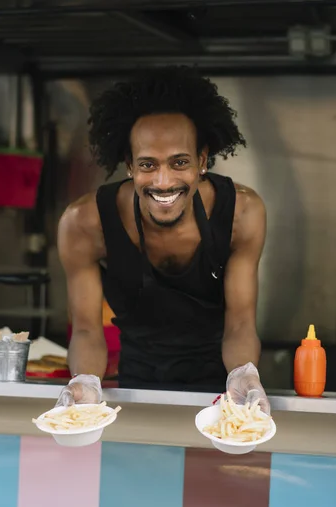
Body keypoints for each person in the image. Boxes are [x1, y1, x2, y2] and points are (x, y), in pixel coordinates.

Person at [58, 66, 270, 413]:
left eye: (179, 162)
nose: (163, 181)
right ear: (129, 165)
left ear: (202, 160)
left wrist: (244, 377)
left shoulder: (241, 215)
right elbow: (85, 330)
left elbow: (241, 322)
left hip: (221, 391)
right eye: (147, 165)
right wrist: (84, 382)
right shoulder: (85, 224)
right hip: (135, 388)